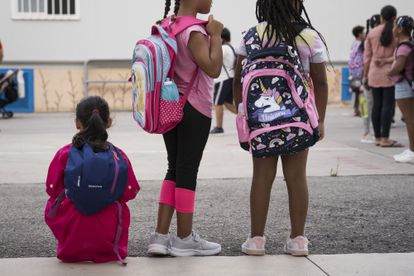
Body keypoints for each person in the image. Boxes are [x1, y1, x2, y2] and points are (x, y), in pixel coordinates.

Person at [233, 0, 329, 256]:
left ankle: (256, 240)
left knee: (261, 178)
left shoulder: (251, 35)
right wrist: (320, 121)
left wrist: (245, 117)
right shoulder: (308, 36)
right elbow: (320, 82)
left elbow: (237, 80)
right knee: (296, 177)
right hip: (298, 121)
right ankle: (298, 240)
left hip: (261, 122)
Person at [147, 0, 223, 257]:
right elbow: (212, 68)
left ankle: (160, 236)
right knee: (188, 170)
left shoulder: (167, 26)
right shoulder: (194, 31)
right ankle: (184, 239)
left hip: (169, 104)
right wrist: (216, 35)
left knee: (174, 167)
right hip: (194, 107)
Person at [44, 96, 140, 264]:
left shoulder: (65, 154)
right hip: (108, 228)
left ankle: (72, 246)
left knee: (54, 201)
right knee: (118, 205)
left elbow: (52, 190)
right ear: (108, 122)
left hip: (72, 227)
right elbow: (128, 193)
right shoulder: (119, 156)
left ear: (77, 123)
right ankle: (109, 247)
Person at [364, 5, 401, 147]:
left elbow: (366, 58)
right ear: (394, 17)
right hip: (390, 73)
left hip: (374, 72)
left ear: (381, 17)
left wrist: (365, 76)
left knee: (376, 106)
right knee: (387, 106)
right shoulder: (396, 33)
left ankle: (377, 138)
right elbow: (400, 54)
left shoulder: (372, 33)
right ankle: (385, 138)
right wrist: (386, 60)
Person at [387, 16, 414, 163]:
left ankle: (412, 151)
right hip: (408, 85)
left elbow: (399, 66)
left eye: (394, 26)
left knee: (410, 120)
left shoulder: (403, 46)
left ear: (400, 29)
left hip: (404, 86)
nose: (392, 29)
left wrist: (389, 72)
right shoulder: (410, 43)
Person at [210, 28, 237, 134]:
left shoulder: (223, 48)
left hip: (223, 79)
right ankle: (246, 119)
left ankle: (219, 127)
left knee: (217, 103)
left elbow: (214, 60)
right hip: (231, 78)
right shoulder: (234, 48)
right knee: (227, 103)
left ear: (221, 38)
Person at [349, 26, 365, 117]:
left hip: (353, 70)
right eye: (363, 33)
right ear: (359, 34)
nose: (364, 34)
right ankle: (362, 110)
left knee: (356, 91)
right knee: (361, 91)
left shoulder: (353, 43)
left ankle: (356, 109)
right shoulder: (361, 44)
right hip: (359, 70)